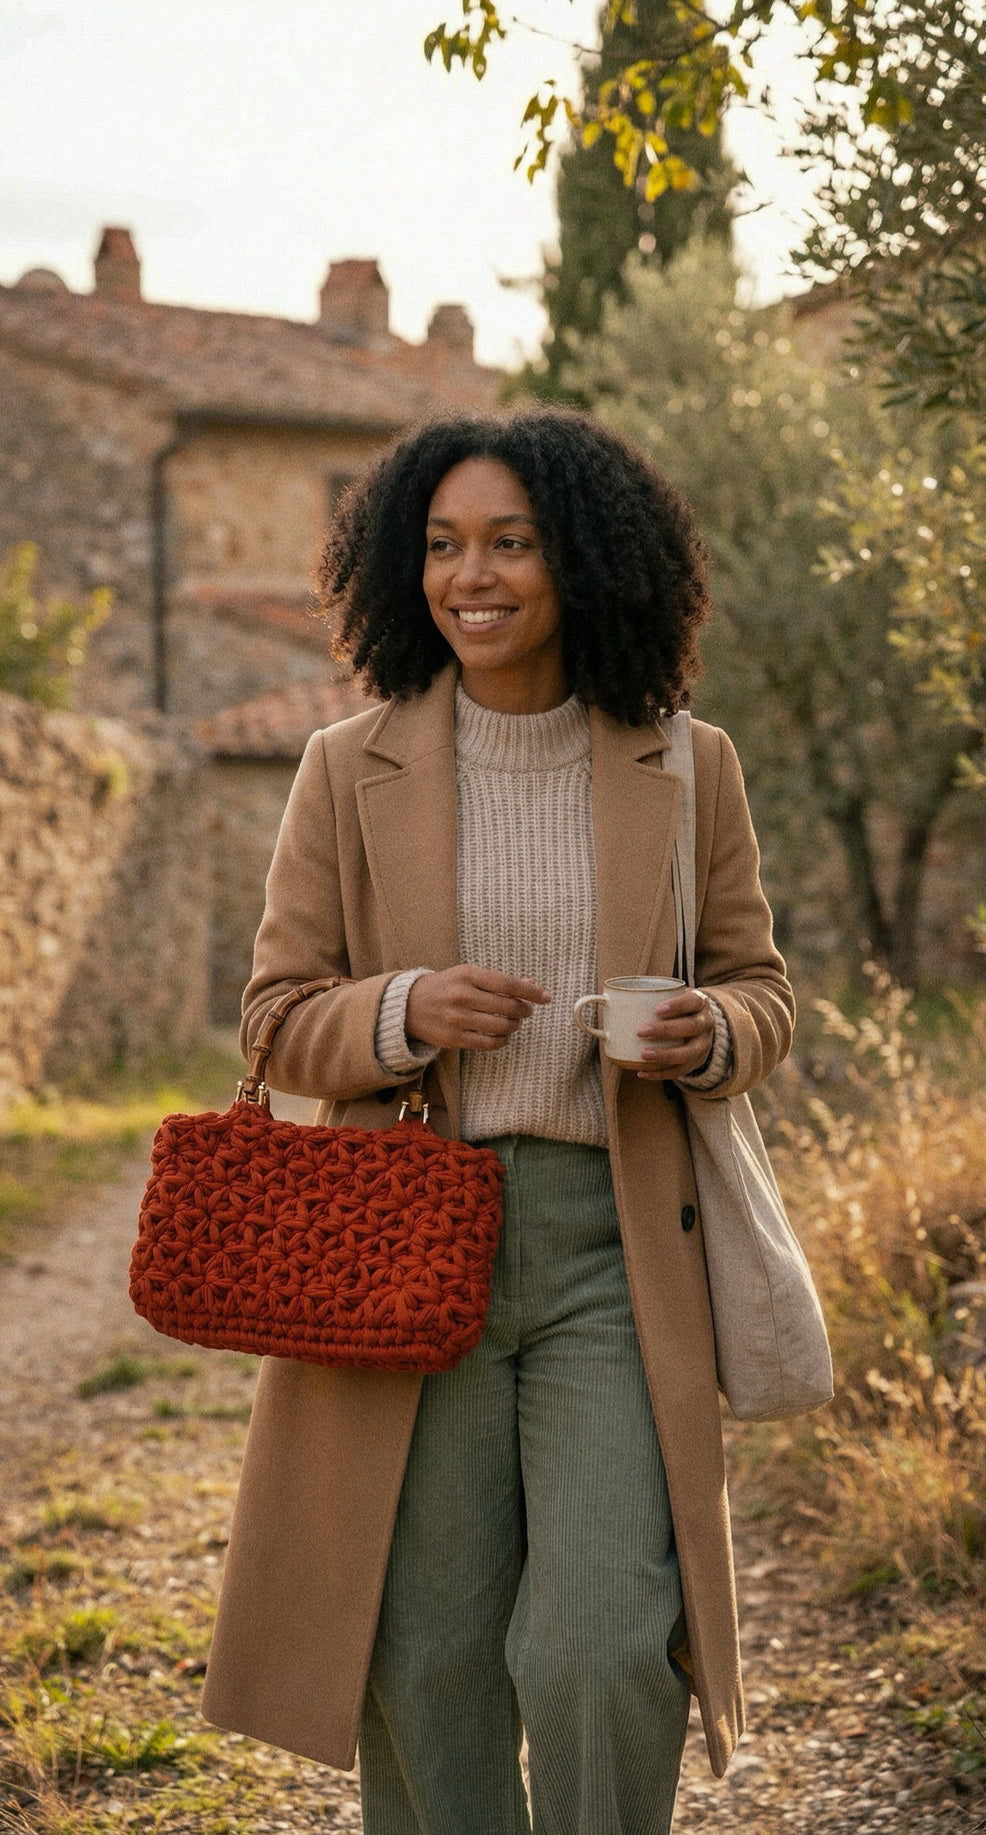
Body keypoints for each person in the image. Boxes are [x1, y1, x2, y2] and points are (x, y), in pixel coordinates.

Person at [200, 407, 794, 1835]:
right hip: (410, 1251)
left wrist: (707, 1031)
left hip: (615, 1256)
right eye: (443, 545)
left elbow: (762, 988)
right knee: (427, 1656)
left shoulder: (686, 762)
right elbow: (276, 1017)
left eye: (510, 543)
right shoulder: (348, 767)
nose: (472, 575)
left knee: (593, 1647)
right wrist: (404, 1011)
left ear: (581, 560)